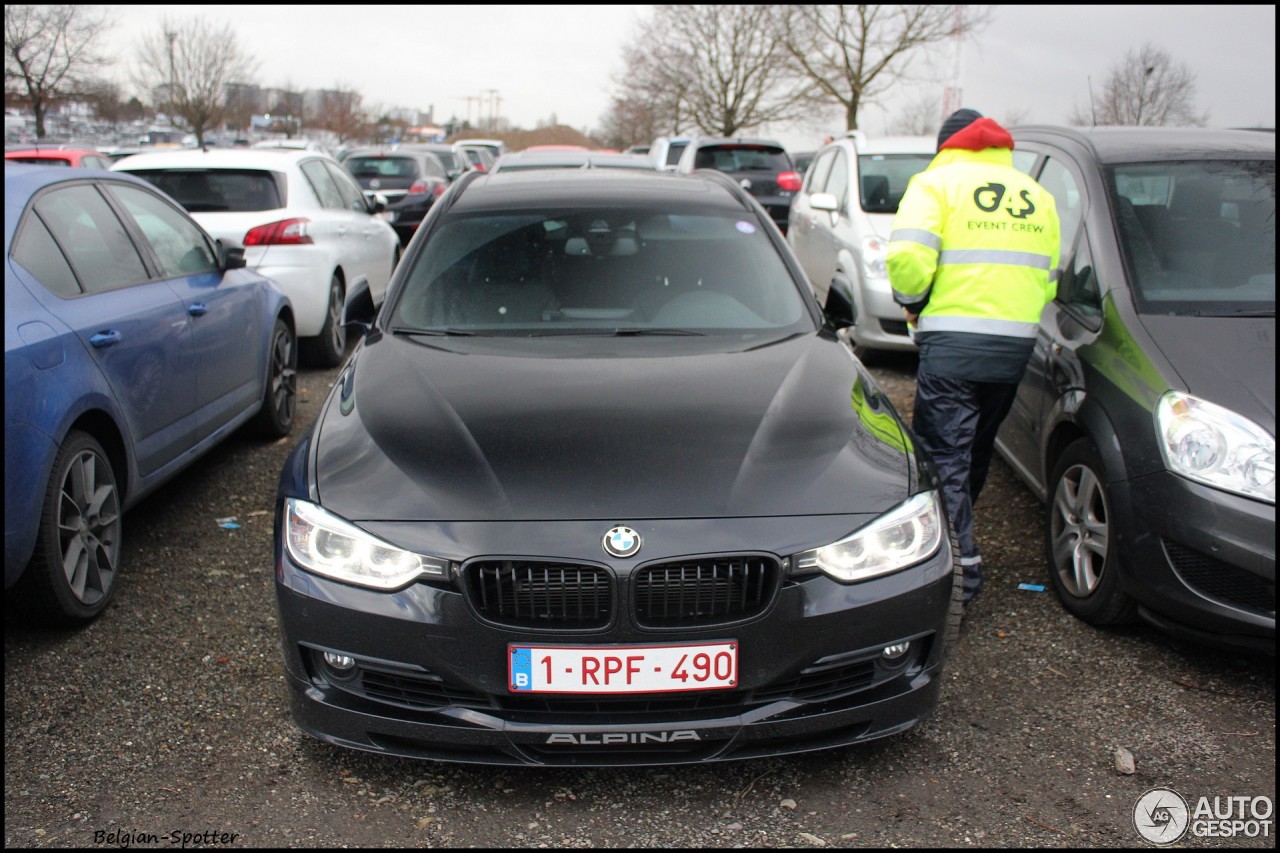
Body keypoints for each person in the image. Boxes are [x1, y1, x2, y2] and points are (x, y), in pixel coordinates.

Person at [886, 108, 1060, 608]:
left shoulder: (936, 184)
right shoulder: (1036, 194)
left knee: (945, 455)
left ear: (947, 146)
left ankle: (958, 572)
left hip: (954, 342)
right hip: (1014, 345)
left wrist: (913, 302)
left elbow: (907, 260)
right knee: (975, 450)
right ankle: (957, 541)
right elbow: (1048, 277)